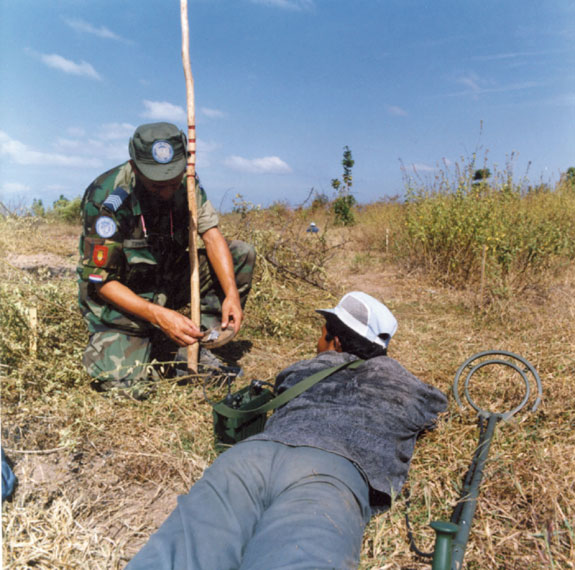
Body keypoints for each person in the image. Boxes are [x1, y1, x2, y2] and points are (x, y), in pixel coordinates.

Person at [126, 291, 448, 569]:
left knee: (177, 554)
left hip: (250, 457)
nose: (316, 341)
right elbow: (434, 407)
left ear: (335, 341)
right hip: (331, 475)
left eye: (321, 334)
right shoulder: (402, 382)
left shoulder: (301, 369)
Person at [77, 122, 255, 398]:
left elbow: (211, 236)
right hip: (123, 305)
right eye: (156, 185)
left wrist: (231, 294)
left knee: (240, 254)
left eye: (173, 181)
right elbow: (103, 283)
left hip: (166, 282)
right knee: (128, 389)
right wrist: (159, 317)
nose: (168, 191)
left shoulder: (187, 181)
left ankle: (195, 342)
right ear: (135, 168)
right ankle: (151, 340)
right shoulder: (107, 200)